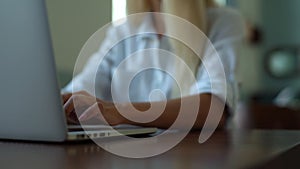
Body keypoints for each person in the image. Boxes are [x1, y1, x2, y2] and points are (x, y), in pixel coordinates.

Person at [62, 0, 245, 129]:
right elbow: (81, 88)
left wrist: (120, 111)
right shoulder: (122, 32)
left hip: (197, 155)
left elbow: (214, 109)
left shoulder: (223, 22)